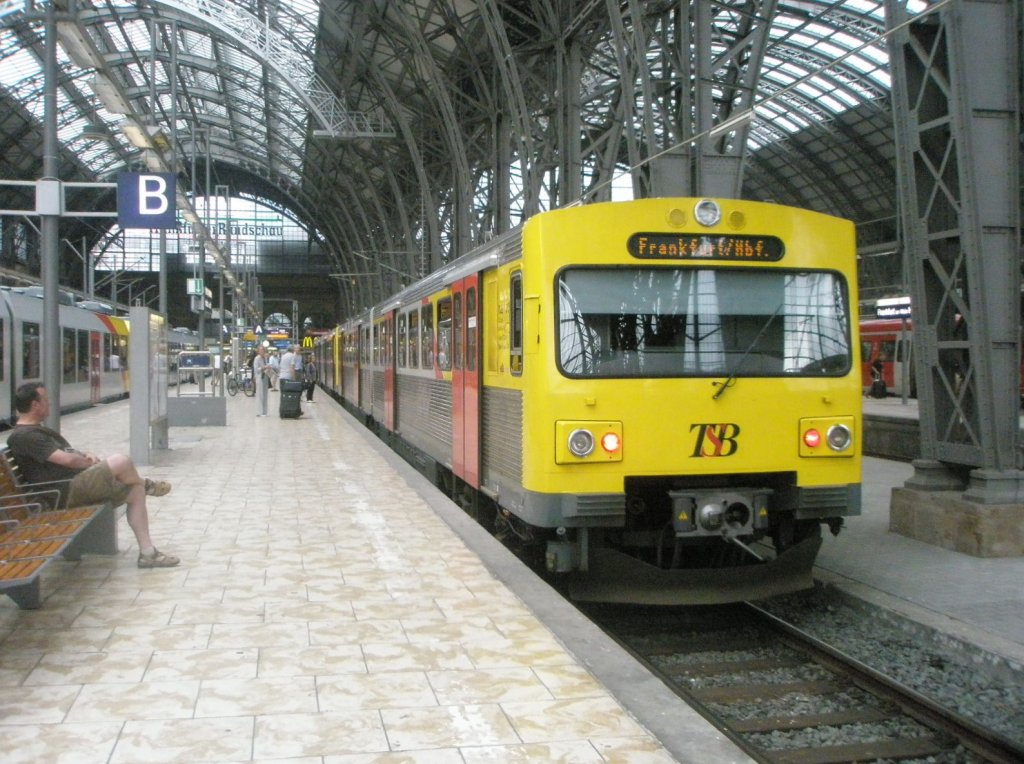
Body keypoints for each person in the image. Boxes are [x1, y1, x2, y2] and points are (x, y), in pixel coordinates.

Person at [7, 382, 179, 568]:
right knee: (121, 461)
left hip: (72, 484)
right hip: (66, 491)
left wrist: (84, 454)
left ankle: (148, 553)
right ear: (35, 405)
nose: (49, 403)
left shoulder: (34, 431)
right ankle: (147, 484)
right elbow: (67, 461)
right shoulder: (25, 436)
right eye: (46, 400)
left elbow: (68, 454)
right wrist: (88, 462)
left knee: (135, 492)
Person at [253, 345, 269, 416]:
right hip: (260, 378)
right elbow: (256, 369)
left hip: (265, 377)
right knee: (260, 395)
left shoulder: (265, 358)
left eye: (263, 350)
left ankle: (264, 412)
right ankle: (259, 412)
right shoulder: (257, 358)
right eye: (261, 350)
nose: (263, 351)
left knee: (265, 395)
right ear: (258, 351)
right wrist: (263, 367)